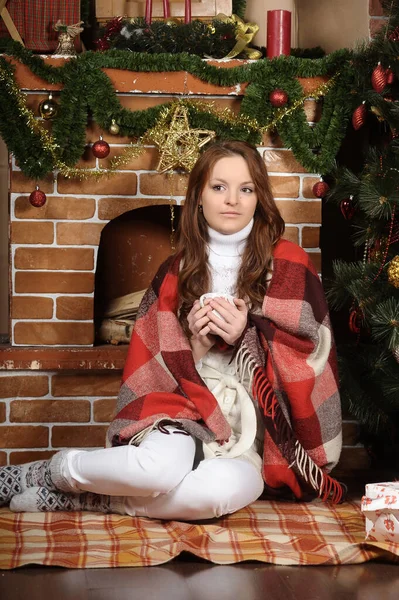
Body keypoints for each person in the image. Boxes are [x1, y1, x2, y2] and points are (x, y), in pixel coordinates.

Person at [0, 140, 344, 518]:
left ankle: (94, 498)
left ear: (259, 198)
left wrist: (245, 336)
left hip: (248, 435)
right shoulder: (174, 270)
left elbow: (311, 354)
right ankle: (52, 471)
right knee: (159, 469)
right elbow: (150, 365)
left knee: (216, 495)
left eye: (246, 189)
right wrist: (194, 343)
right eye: (219, 187)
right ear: (198, 196)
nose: (232, 200)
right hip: (183, 409)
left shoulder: (290, 263)